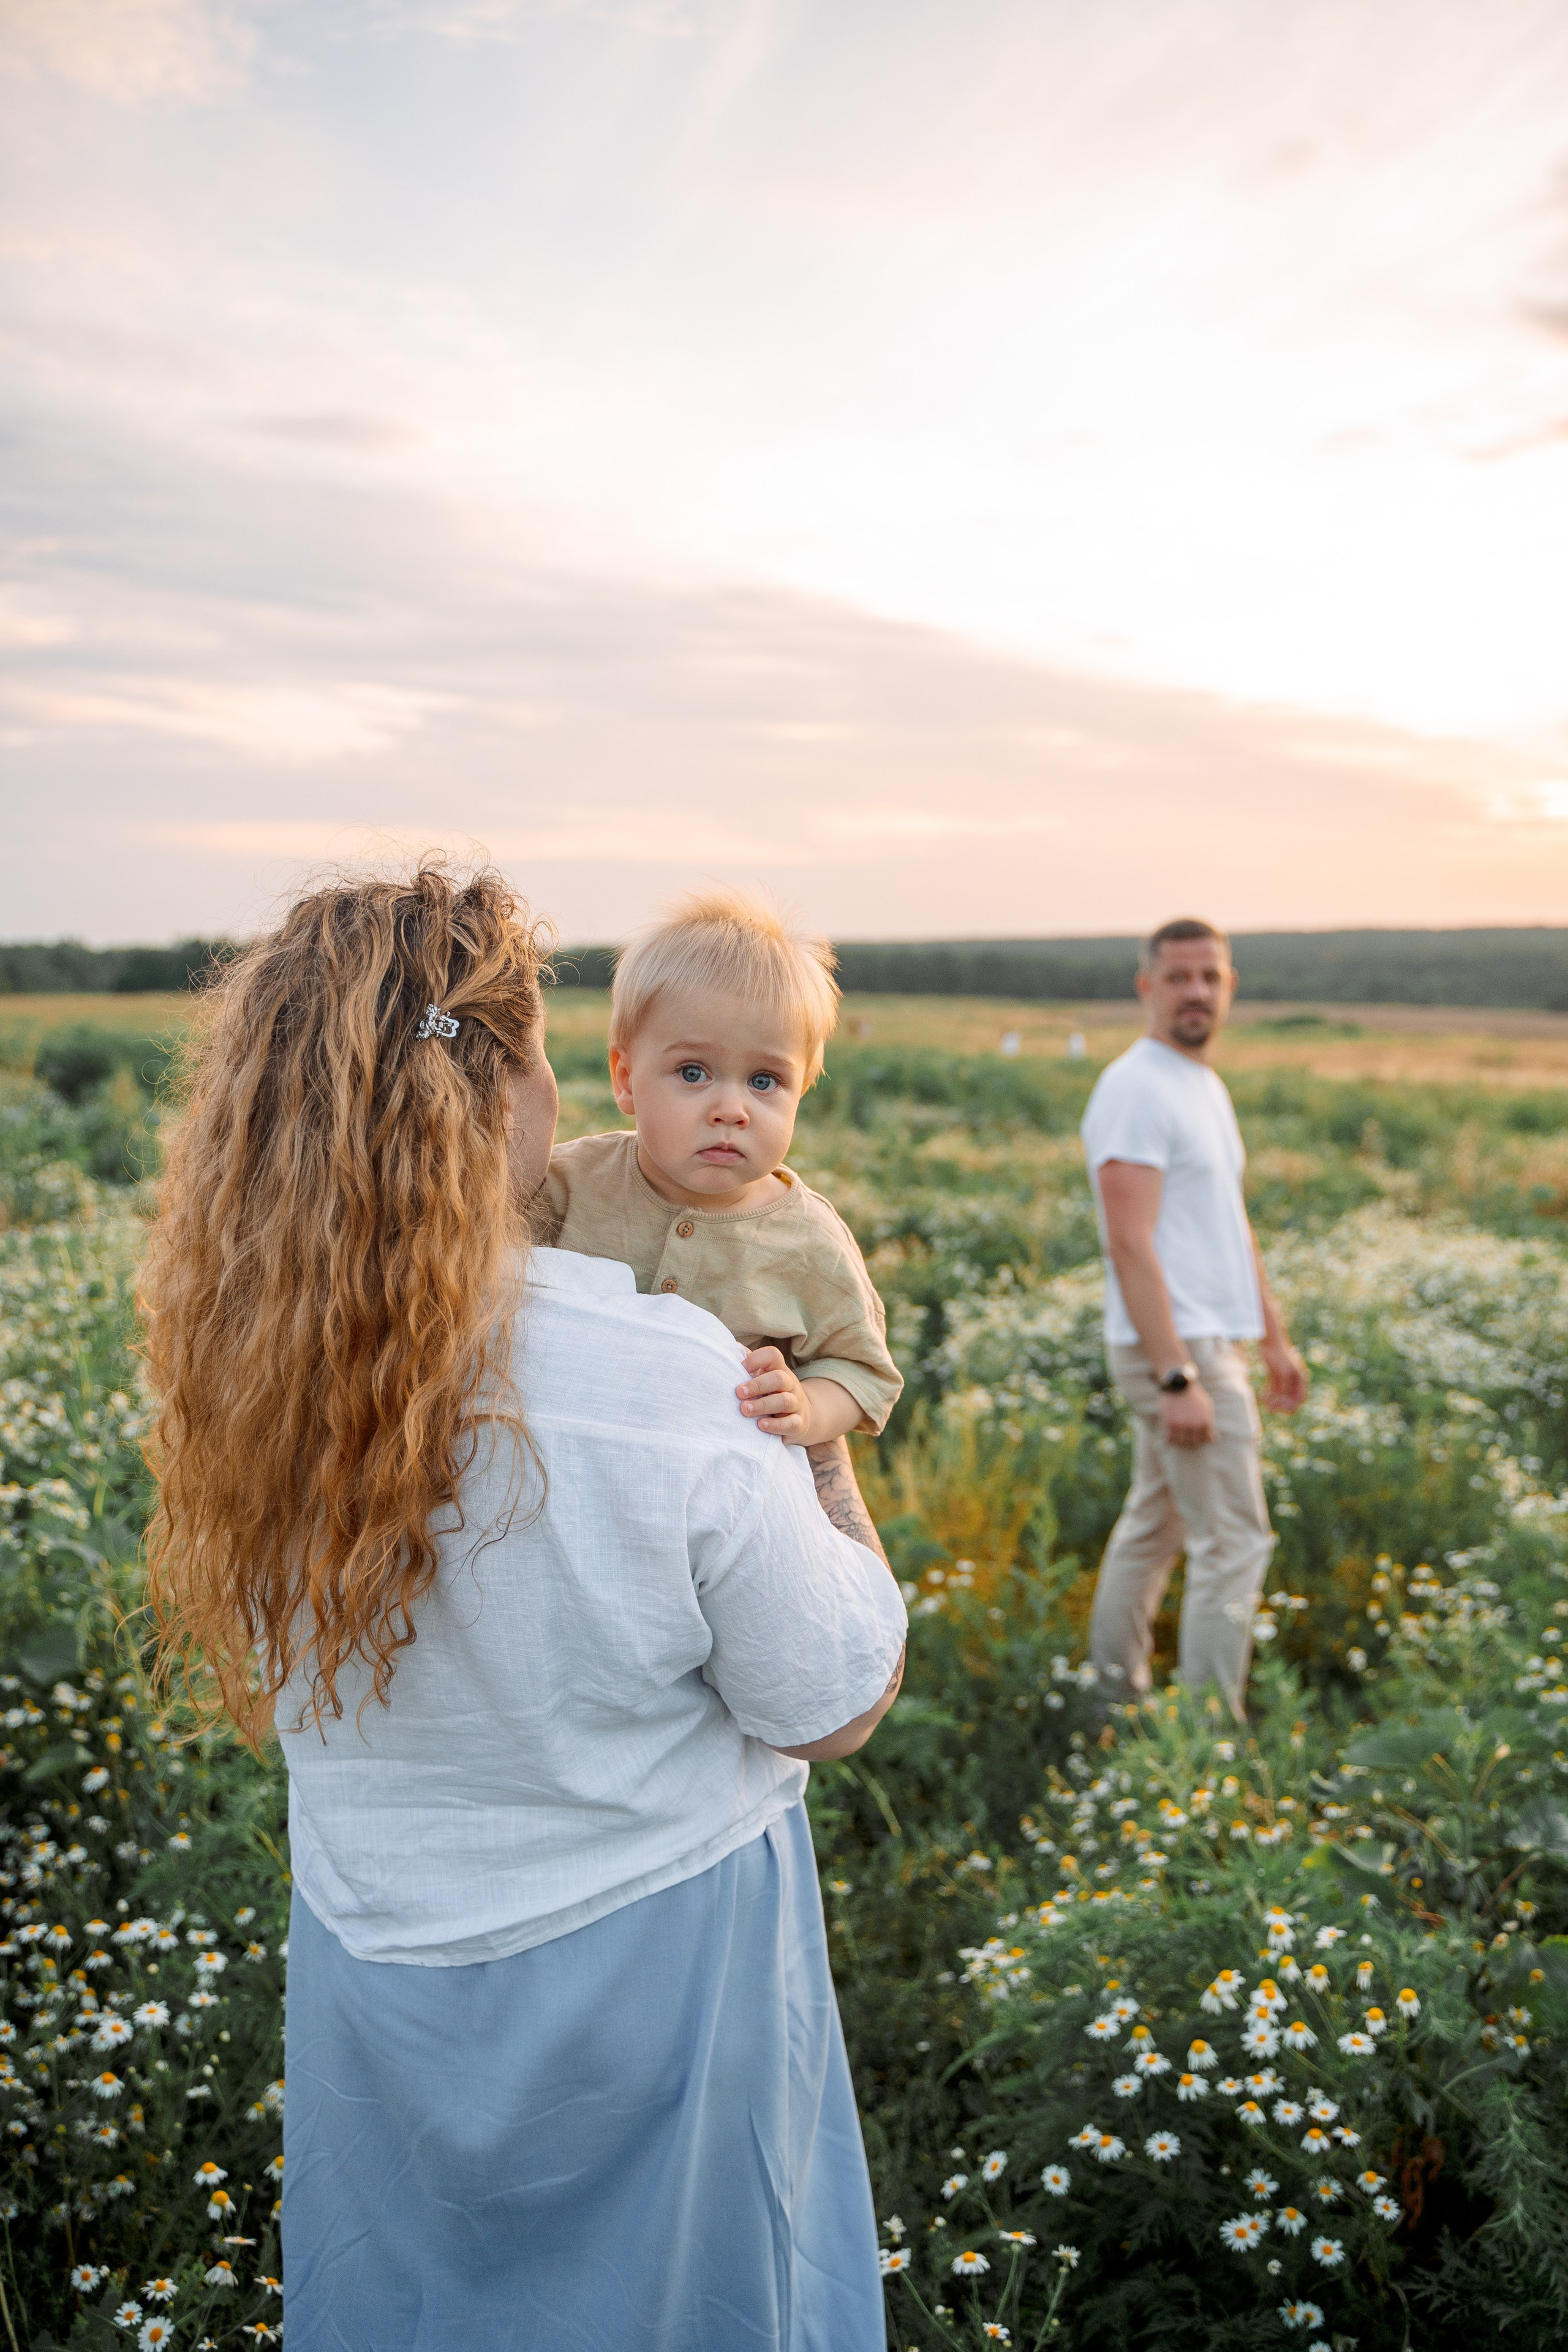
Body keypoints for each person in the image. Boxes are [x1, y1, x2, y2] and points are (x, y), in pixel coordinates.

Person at [139, 864, 908, 2352]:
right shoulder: (665, 1376)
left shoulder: (262, 1379)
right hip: (661, 1983)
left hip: (379, 1978)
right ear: (499, 1099)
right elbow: (833, 1701)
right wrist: (820, 1446)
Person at [543, 887, 903, 1461]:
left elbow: (862, 1372)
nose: (731, 1109)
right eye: (693, 1072)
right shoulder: (567, 1183)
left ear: (802, 1090)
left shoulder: (808, 1238)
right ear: (626, 1078)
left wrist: (808, 1406)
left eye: (764, 1081)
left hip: (717, 1491)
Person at [1079, 916, 1308, 1721]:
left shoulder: (1201, 1085)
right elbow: (1128, 1244)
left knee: (1156, 1526)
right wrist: (1176, 1375)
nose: (1196, 991)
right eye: (1178, 977)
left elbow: (1227, 1222)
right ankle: (1212, 1742)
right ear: (1148, 988)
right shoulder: (1136, 1086)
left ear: (1230, 985)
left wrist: (1273, 1338)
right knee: (1236, 1542)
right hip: (1177, 1350)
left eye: (1210, 976)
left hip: (1209, 1341)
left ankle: (1110, 1703)